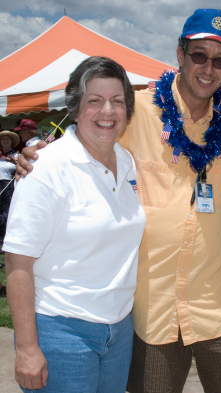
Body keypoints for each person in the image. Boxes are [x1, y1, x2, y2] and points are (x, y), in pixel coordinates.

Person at [17, 9, 221, 393]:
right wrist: (36, 154)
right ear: (180, 54)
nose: (208, 68)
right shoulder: (136, 111)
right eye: (199, 55)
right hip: (152, 314)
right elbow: (89, 133)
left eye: (220, 61)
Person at [5, 57, 146, 392]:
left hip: (119, 330)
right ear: (75, 107)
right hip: (61, 331)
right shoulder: (48, 168)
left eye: (117, 101)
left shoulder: (129, 163)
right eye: (94, 101)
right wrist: (27, 348)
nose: (107, 111)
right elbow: (17, 262)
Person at [0, 130, 20, 245]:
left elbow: (22, 169)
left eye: (8, 139)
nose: (5, 141)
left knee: (6, 212)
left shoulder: (17, 155)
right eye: (3, 139)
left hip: (8, 186)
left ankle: (4, 238)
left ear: (11, 141)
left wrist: (14, 162)